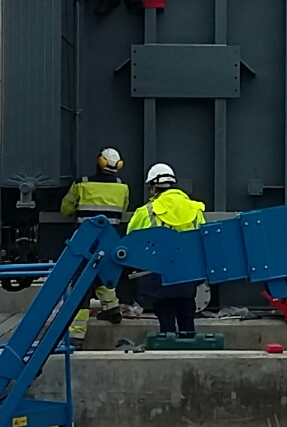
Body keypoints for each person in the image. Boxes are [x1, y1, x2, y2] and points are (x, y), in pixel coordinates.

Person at [60, 148, 132, 347]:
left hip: (85, 241)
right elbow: (123, 209)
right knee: (104, 274)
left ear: (99, 161)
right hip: (110, 241)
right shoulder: (122, 187)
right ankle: (112, 308)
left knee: (81, 285)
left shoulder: (82, 184)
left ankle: (76, 335)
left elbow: (66, 209)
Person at [126, 163, 206, 338]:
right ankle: (190, 350)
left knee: (166, 320)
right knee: (187, 316)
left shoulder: (146, 211)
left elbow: (131, 242)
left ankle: (167, 349)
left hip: (159, 276)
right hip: (188, 274)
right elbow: (203, 241)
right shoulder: (195, 209)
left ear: (154, 187)